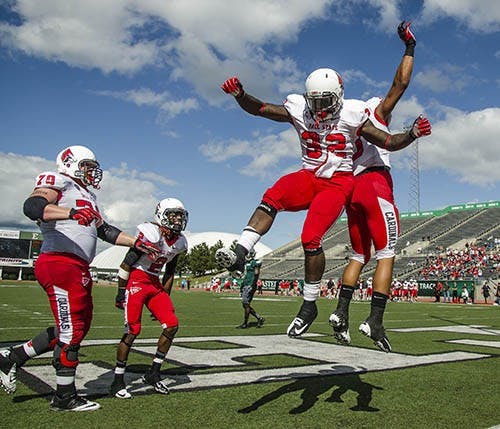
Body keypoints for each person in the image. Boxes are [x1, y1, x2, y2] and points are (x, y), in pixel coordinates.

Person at [215, 20, 430, 338]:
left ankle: (316, 306)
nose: (319, 109)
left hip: (341, 181)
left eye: (325, 102)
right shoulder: (303, 108)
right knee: (275, 194)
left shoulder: (357, 115)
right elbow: (261, 109)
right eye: (314, 102)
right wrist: (240, 95)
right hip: (322, 175)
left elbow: (388, 140)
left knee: (316, 240)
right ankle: (242, 249)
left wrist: (410, 134)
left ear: (340, 97)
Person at [0, 145, 158, 411]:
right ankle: (64, 397)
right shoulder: (57, 180)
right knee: (71, 330)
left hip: (77, 266)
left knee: (77, 326)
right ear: (71, 163)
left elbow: (104, 230)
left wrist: (137, 242)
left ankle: (13, 357)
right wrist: (70, 213)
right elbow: (34, 206)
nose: (91, 171)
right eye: (86, 165)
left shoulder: (87, 194)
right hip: (60, 261)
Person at [327, 21, 425, 352]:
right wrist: (410, 47)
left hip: (350, 189)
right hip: (374, 182)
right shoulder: (376, 115)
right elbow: (401, 83)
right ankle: (375, 320)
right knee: (387, 253)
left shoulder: (343, 122)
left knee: (359, 254)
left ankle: (340, 312)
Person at [109, 198, 189, 399]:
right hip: (136, 279)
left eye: (180, 215)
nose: (178, 219)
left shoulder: (180, 242)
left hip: (154, 284)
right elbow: (126, 264)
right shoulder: (150, 234)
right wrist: (120, 292)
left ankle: (153, 372)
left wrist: (165, 298)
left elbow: (170, 272)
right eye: (173, 214)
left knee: (172, 325)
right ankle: (118, 379)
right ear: (161, 215)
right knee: (132, 330)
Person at [236, 249, 265, 329]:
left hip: (250, 285)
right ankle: (259, 318)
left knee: (246, 304)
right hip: (246, 284)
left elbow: (256, 273)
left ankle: (245, 323)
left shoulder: (254, 263)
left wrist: (253, 284)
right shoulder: (247, 263)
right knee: (245, 305)